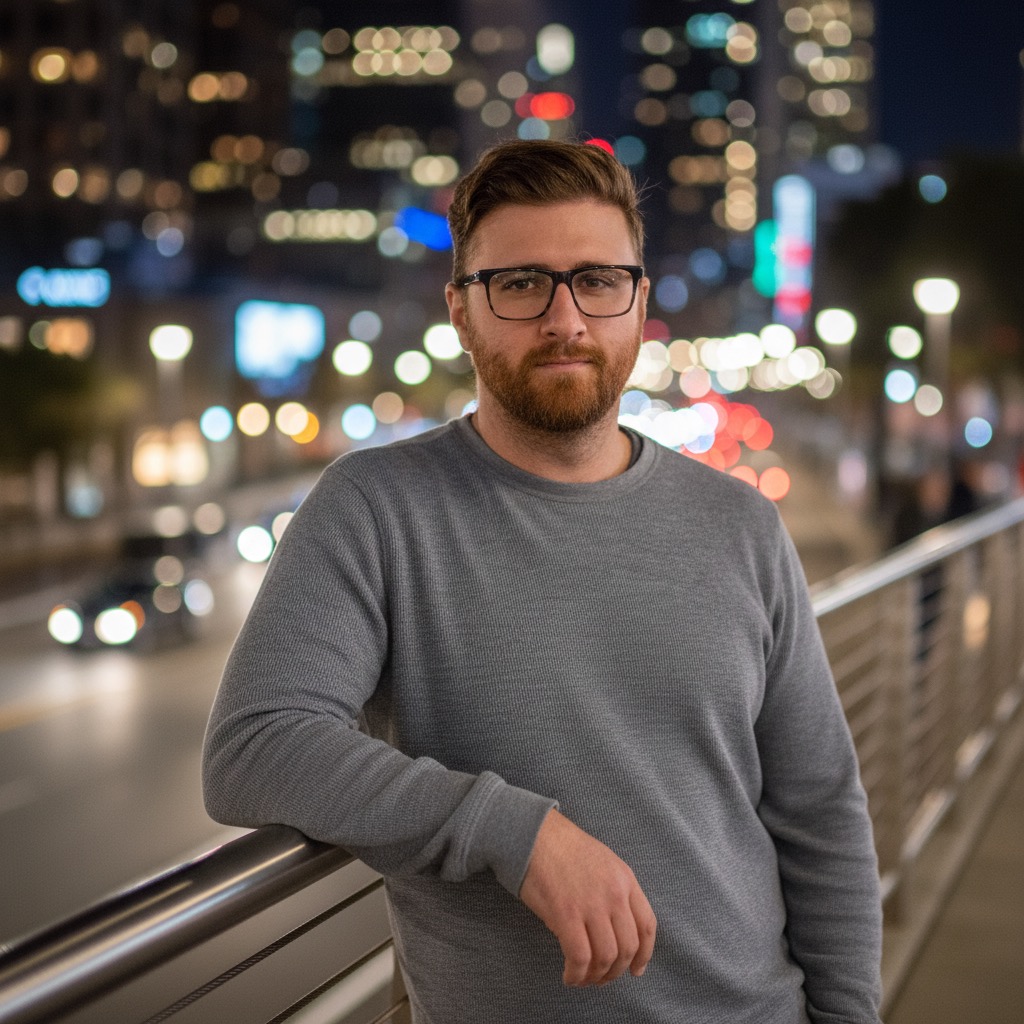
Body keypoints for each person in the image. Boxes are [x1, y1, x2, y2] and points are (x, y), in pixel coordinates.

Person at [202, 139, 883, 1023]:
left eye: (598, 280)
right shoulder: (375, 507)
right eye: (520, 283)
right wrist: (513, 836)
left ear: (639, 302)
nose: (566, 319)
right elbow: (254, 746)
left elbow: (821, 812)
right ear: (460, 309)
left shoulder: (740, 525)